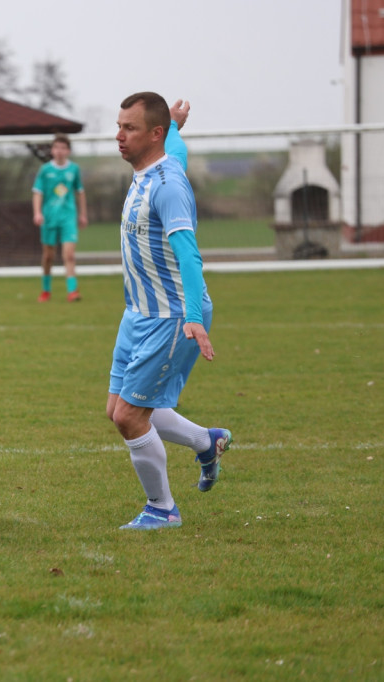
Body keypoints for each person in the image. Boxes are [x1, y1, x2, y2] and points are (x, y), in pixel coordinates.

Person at [107, 93, 233, 530]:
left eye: (130, 128)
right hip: (138, 314)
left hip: (172, 317)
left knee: (129, 416)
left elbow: (189, 256)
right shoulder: (155, 164)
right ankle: (206, 440)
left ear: (153, 134)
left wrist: (193, 316)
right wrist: (176, 123)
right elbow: (174, 147)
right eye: (120, 126)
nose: (119, 136)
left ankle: (162, 509)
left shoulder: (168, 187)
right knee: (119, 408)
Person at [31, 133, 88, 302]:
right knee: (48, 256)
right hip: (49, 218)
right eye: (56, 147)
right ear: (52, 150)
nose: (59, 151)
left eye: (63, 148)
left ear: (68, 151)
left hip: (68, 218)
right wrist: (37, 212)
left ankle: (72, 291)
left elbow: (80, 192)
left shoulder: (74, 169)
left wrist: (83, 214)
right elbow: (37, 193)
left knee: (69, 255)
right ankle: (46, 290)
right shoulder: (45, 170)